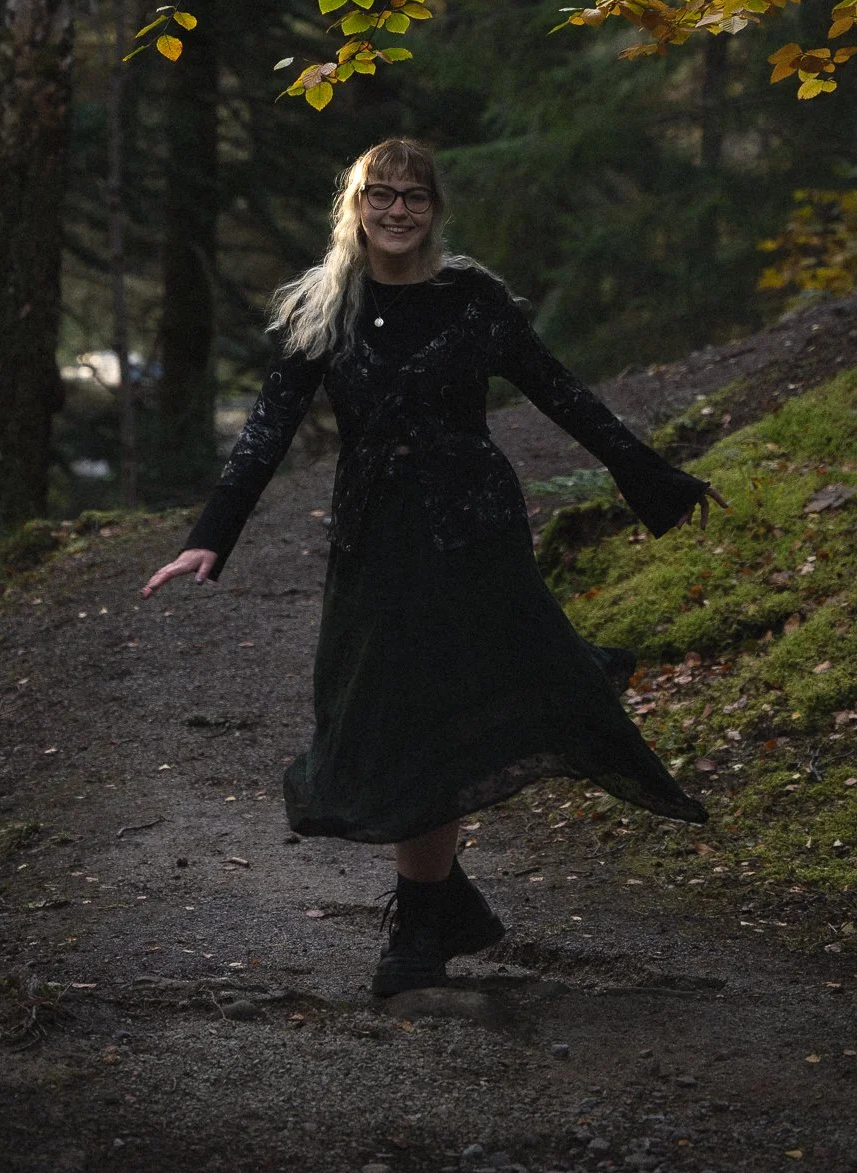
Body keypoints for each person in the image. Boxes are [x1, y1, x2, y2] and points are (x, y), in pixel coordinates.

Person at [141, 137, 726, 998]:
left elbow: (561, 392)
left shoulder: (474, 301)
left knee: (450, 712)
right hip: (376, 541)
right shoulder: (322, 306)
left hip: (473, 535)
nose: (398, 210)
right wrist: (210, 537)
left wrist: (653, 479)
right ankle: (442, 905)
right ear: (356, 206)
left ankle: (419, 930)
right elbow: (267, 430)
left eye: (415, 196)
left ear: (435, 209)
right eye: (381, 195)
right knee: (386, 718)